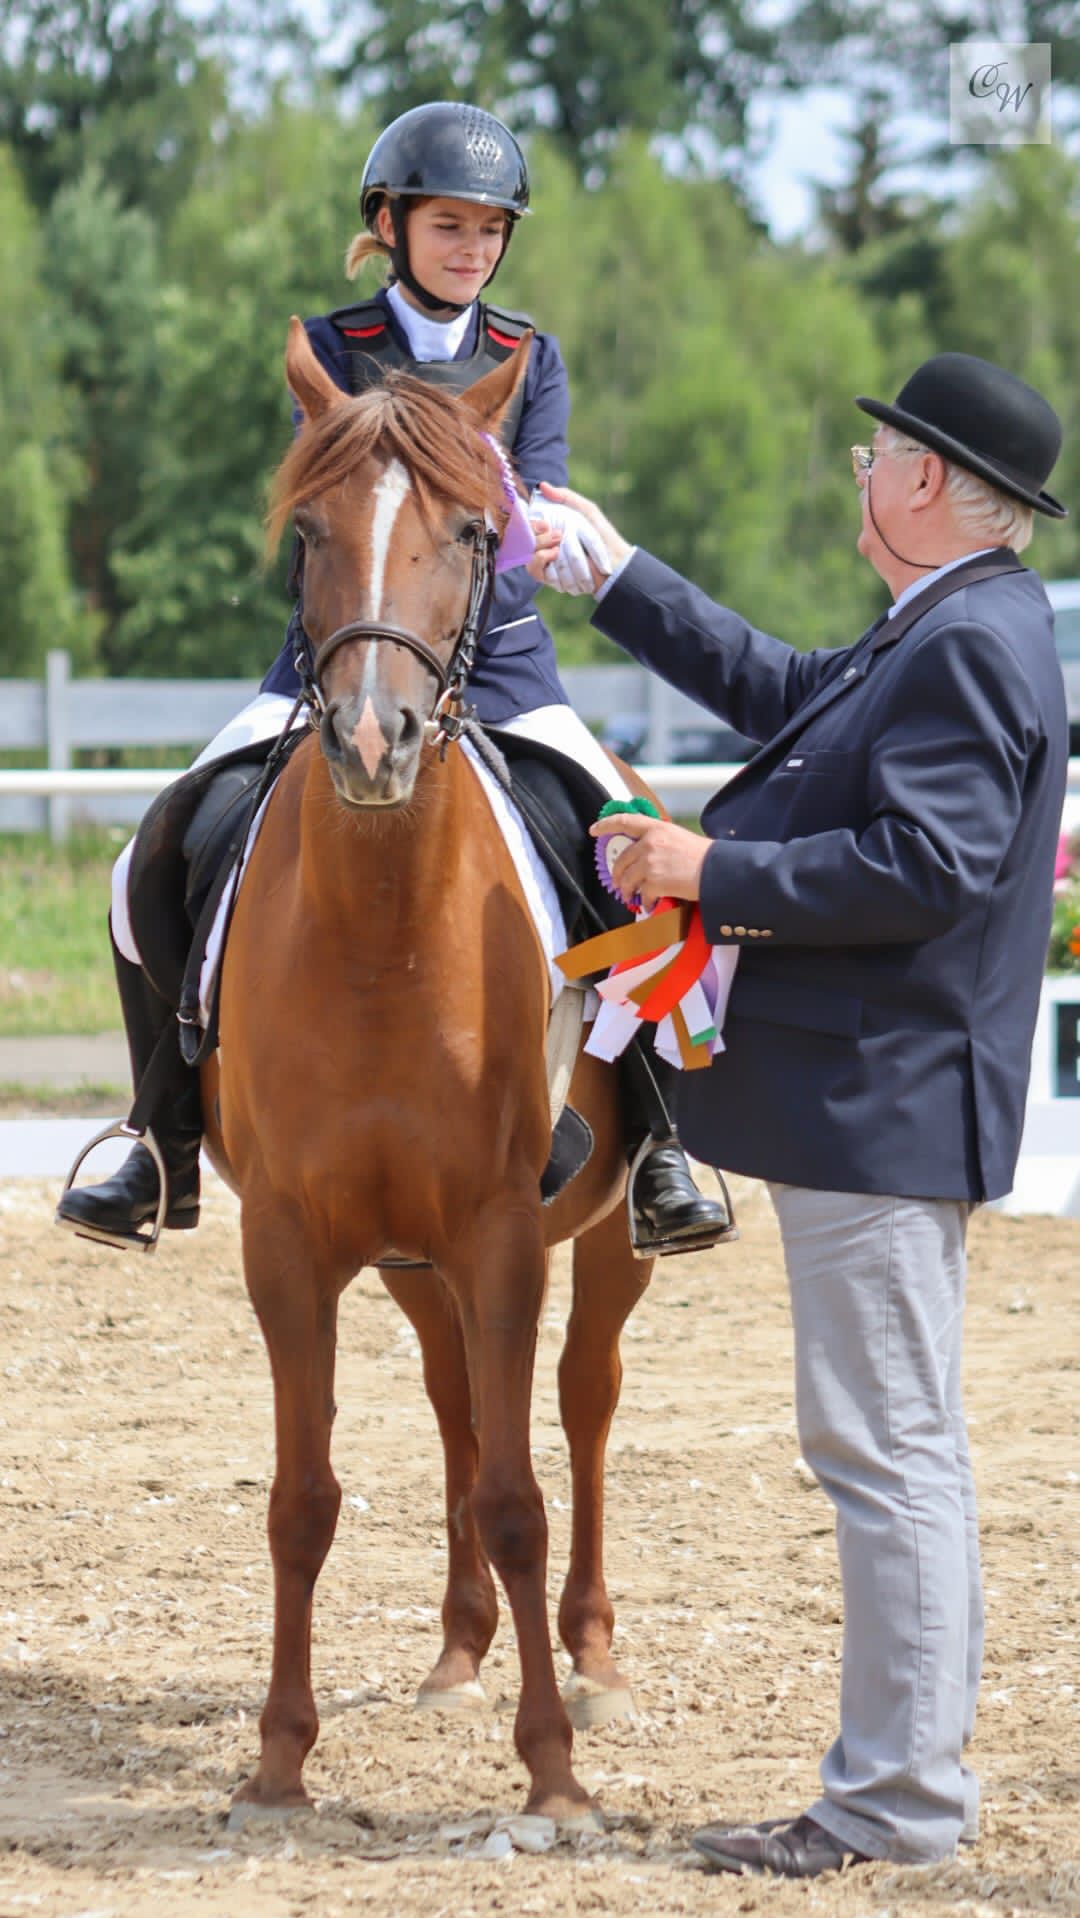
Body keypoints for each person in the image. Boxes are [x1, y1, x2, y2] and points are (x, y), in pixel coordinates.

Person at [528, 351, 1069, 1873]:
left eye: (874, 453)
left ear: (923, 482)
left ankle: (897, 1805)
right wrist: (618, 571)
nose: (857, 474)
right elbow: (787, 698)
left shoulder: (968, 641)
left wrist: (710, 876)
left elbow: (924, 869)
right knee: (900, 1448)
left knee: (886, 1451)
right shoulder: (948, 622)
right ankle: (908, 1787)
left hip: (886, 1107)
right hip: (880, 1104)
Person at [56, 101, 730, 1255]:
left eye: (489, 230)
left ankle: (662, 1139)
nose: (471, 248)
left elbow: (535, 502)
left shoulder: (529, 355)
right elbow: (333, 506)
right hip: (335, 659)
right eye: (448, 225)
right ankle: (158, 1133)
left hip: (501, 663)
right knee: (150, 858)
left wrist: (547, 526)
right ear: (391, 222)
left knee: (631, 850)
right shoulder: (330, 345)